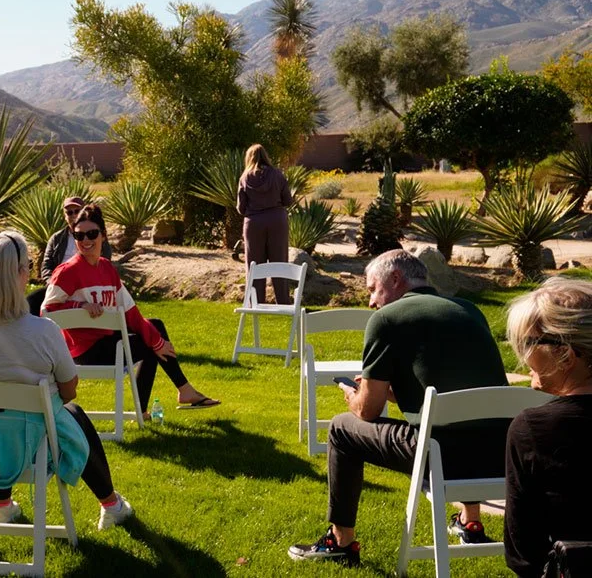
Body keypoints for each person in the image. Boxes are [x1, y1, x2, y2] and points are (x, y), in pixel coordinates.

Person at [288, 249, 509, 568]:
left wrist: (353, 394)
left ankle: (340, 541)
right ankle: (469, 521)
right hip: (497, 456)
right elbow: (456, 387)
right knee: (466, 422)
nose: (370, 302)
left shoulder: (386, 320)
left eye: (371, 289)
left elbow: (368, 411)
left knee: (340, 428)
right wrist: (398, 393)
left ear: (395, 279)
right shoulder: (470, 310)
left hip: (440, 458)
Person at [0, 230, 134, 530]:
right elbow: (69, 391)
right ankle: (111, 504)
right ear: (19, 274)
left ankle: (1, 505)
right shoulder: (44, 331)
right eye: (28, 266)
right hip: (30, 448)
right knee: (71, 413)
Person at [42, 203, 219, 416]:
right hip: (84, 351)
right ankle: (171, 396)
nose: (86, 240)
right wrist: (80, 305)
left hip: (106, 339)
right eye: (79, 236)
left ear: (103, 235)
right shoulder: (67, 272)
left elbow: (130, 313)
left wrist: (157, 340)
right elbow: (47, 311)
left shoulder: (107, 268)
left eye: (92, 234)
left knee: (155, 327)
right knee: (150, 342)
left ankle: (175, 394)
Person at [503, 277, 592, 577]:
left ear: (566, 355)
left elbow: (523, 555)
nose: (522, 355)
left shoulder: (534, 429)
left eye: (528, 343)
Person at [26, 195, 112, 316]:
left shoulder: (97, 237)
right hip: (60, 284)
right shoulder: (56, 238)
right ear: (65, 216)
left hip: (87, 286)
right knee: (32, 301)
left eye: (76, 211)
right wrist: (53, 283)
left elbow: (103, 262)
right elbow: (46, 265)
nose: (73, 215)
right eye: (69, 212)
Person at [236, 143, 293, 304]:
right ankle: (283, 302)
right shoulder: (277, 174)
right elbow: (287, 200)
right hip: (277, 221)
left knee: (254, 265)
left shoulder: (245, 178)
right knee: (279, 262)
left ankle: (255, 302)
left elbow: (241, 208)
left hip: (253, 223)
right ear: (266, 156)